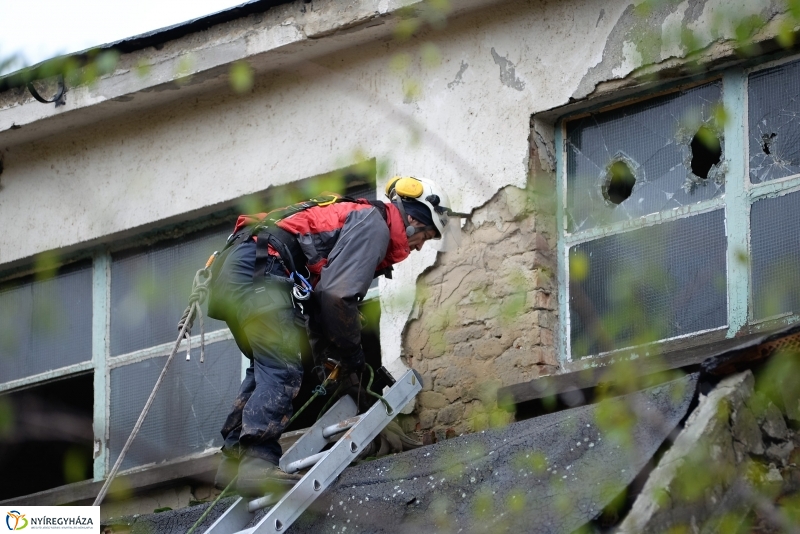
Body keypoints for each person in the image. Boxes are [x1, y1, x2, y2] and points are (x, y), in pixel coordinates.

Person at [209, 176, 458, 497]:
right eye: (426, 234)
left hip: (239, 271)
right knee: (282, 369)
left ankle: (232, 463)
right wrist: (352, 354)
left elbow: (318, 303)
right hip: (261, 270)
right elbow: (337, 297)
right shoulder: (375, 225)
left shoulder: (357, 219)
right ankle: (256, 463)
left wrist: (327, 358)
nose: (422, 245)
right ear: (411, 219)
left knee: (265, 368)